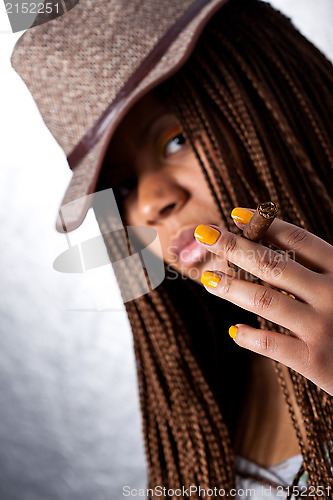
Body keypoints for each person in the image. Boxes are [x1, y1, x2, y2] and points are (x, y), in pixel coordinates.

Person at [11, 0, 333, 497]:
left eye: (176, 140)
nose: (150, 205)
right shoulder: (201, 407)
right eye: (121, 188)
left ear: (270, 100)